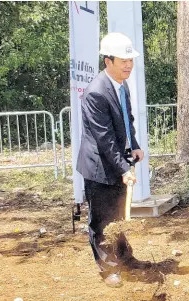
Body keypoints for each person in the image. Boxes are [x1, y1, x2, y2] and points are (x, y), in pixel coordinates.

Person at [76, 32, 144, 288]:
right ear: (108, 61)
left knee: (119, 216)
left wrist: (134, 145)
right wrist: (124, 168)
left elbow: (127, 123)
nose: (128, 65)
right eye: (123, 60)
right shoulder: (96, 93)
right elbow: (104, 138)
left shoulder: (121, 85)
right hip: (99, 168)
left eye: (130, 59)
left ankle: (125, 258)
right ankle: (108, 269)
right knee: (103, 220)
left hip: (117, 162)